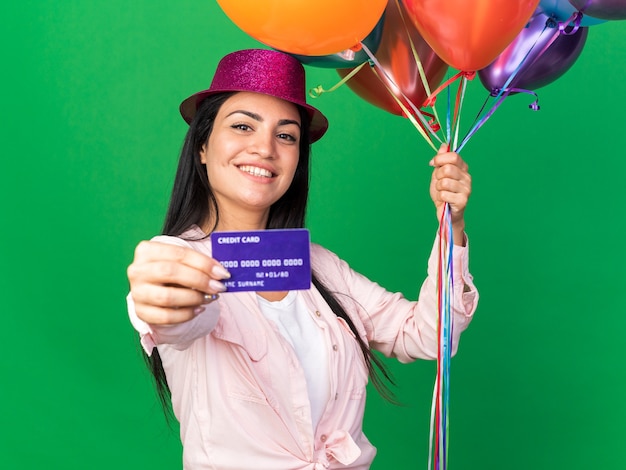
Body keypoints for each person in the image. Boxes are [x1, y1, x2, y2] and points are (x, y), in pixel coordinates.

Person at [126, 48, 478, 470]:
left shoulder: (319, 267)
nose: (265, 148)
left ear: (297, 160)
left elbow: (427, 333)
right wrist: (159, 294)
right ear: (202, 146)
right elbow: (180, 316)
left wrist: (451, 224)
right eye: (242, 126)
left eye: (286, 135)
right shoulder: (183, 258)